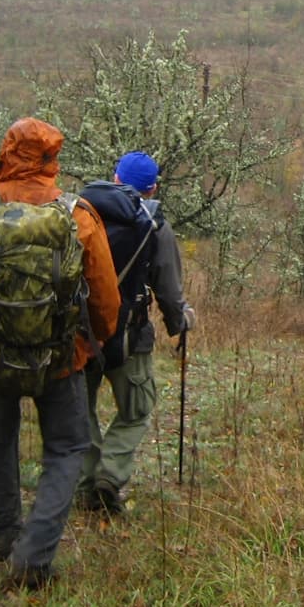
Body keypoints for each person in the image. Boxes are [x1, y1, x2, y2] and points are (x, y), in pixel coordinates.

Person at [0, 117, 120, 591]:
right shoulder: (77, 212)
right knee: (69, 446)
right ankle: (34, 558)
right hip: (60, 356)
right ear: (52, 161)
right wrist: (90, 343)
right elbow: (105, 297)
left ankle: (3, 537)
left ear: (5, 154)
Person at [76, 150, 195, 515]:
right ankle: (109, 478)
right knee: (137, 409)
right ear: (153, 187)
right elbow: (169, 290)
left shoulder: (79, 214)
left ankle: (86, 482)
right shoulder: (156, 226)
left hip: (80, 334)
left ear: (114, 178)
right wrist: (180, 323)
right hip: (130, 339)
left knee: (83, 409)